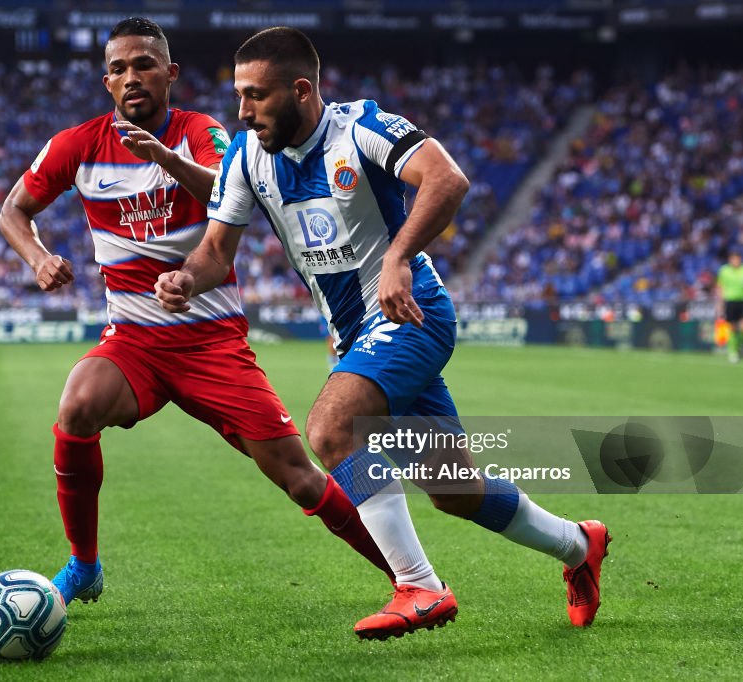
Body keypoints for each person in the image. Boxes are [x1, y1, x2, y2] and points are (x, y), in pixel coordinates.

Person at [155, 26, 610, 640]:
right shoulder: (246, 156)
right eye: (238, 94)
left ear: (301, 90)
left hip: (410, 310)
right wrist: (185, 279)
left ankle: (419, 587)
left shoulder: (361, 127)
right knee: (454, 489)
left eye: (256, 95)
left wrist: (398, 257)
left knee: (330, 427)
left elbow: (446, 179)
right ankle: (580, 546)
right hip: (355, 335)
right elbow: (214, 251)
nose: (242, 110)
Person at [0, 17, 393, 612]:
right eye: (120, 68)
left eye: (145, 65)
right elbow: (13, 210)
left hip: (213, 345)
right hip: (134, 342)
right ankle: (83, 566)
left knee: (301, 476)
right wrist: (38, 257)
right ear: (106, 80)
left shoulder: (202, 131)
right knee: (77, 405)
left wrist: (163, 157)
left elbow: (231, 190)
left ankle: (405, 575)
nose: (132, 77)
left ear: (170, 74)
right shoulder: (76, 145)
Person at [716, 250, 743, 363]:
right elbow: (720, 287)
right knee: (732, 327)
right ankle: (732, 352)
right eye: (733, 259)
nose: (735, 261)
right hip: (730, 301)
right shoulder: (724, 271)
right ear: (730, 260)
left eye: (737, 258)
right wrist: (720, 303)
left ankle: (738, 346)